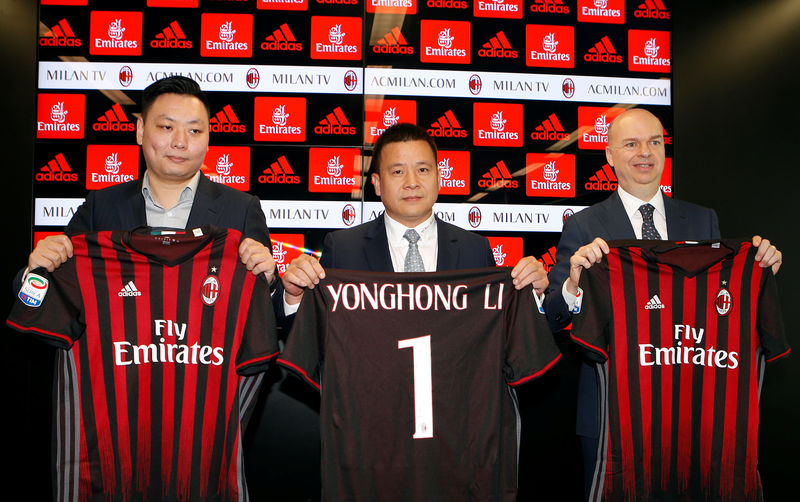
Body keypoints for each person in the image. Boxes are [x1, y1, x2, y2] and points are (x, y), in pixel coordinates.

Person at [542, 108, 783, 499]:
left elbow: (725, 305)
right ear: (609, 155)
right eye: (631, 144)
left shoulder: (703, 221)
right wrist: (573, 285)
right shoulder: (584, 226)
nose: (645, 153)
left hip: (690, 412)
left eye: (655, 142)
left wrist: (761, 269)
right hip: (611, 416)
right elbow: (551, 317)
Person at [19, 75, 275, 286]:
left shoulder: (241, 209)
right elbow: (58, 299)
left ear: (208, 138)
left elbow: (268, 317)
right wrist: (36, 271)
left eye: (194, 130)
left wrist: (272, 281)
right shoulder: (101, 206)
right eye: (166, 127)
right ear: (140, 130)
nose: (180, 142)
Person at [279, 122, 549, 312]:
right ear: (376, 183)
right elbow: (316, 334)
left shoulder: (474, 249)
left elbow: (500, 331)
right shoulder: (343, 249)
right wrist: (294, 298)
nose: (412, 182)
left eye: (423, 170)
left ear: (439, 178)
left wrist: (531, 297)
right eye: (397, 172)